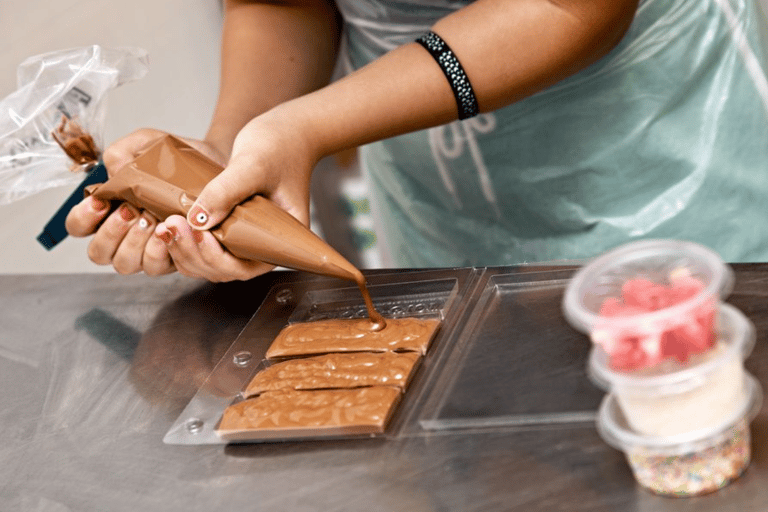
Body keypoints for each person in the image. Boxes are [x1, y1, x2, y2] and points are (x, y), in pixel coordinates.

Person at [65, 0, 768, 282]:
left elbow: (569, 6)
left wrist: (308, 126)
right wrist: (232, 146)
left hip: (659, 150)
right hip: (434, 190)